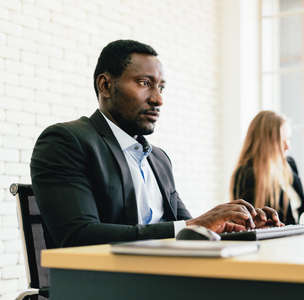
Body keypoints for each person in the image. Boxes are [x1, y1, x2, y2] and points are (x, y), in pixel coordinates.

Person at [30, 40, 281, 248]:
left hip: (163, 278)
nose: (158, 99)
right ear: (105, 85)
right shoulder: (66, 141)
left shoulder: (158, 159)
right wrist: (196, 225)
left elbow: (188, 230)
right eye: (145, 83)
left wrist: (237, 228)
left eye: (161, 87)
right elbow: (78, 237)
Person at [230, 111, 304, 225]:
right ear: (266, 143)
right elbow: (247, 224)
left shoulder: (289, 165)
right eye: (281, 141)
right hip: (272, 241)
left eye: (289, 139)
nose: (288, 146)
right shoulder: (246, 174)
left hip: (301, 237)